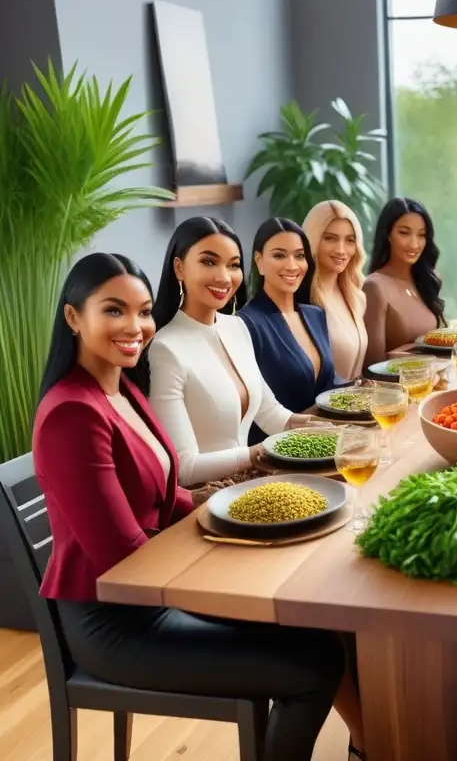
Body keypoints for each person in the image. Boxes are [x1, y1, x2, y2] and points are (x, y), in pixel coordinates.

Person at [33, 253, 352, 761]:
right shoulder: (72, 412)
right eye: (113, 311)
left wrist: (245, 506)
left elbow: (167, 495)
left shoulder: (120, 388)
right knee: (313, 668)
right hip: (116, 623)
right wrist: (223, 567)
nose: (135, 326)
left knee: (326, 626)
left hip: (151, 590)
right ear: (73, 317)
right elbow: (123, 554)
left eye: (142, 311)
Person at [148, 216, 323, 487]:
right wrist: (259, 453)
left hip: (248, 484)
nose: (224, 276)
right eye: (209, 261)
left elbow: (269, 411)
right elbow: (184, 467)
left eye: (233, 265)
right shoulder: (165, 348)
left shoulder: (236, 326)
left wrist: (319, 428)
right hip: (206, 499)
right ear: (179, 268)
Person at [238, 218, 339, 444]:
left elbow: (329, 385)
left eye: (299, 255)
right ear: (259, 261)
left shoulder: (315, 315)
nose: (292, 265)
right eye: (279, 255)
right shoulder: (245, 324)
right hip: (275, 452)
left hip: (326, 441)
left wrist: (369, 387)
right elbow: (252, 412)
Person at [362, 197, 445, 371]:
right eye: (404, 233)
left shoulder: (425, 280)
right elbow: (373, 367)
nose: (414, 244)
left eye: (422, 235)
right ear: (388, 235)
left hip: (432, 384)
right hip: (396, 392)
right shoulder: (375, 287)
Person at [303, 200, 369, 380]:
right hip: (316, 406)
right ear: (313, 239)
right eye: (330, 238)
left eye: (350, 240)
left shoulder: (357, 297)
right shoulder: (301, 300)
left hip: (356, 403)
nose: (341, 250)